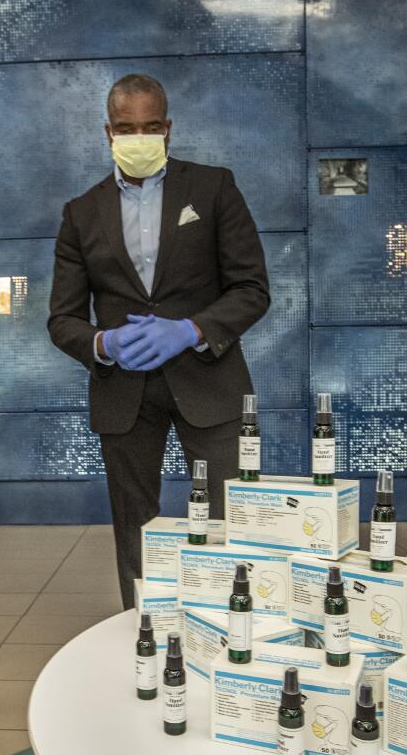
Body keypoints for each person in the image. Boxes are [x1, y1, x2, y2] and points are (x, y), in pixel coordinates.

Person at [48, 74, 270, 610]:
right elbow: (62, 319)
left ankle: (232, 626)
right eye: (126, 128)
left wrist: (190, 331)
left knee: (231, 517)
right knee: (136, 528)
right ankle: (144, 632)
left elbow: (252, 289)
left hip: (210, 384)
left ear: (168, 130)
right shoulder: (82, 213)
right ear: (108, 133)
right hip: (124, 395)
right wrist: (106, 343)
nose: (138, 137)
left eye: (150, 127)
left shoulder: (213, 188)